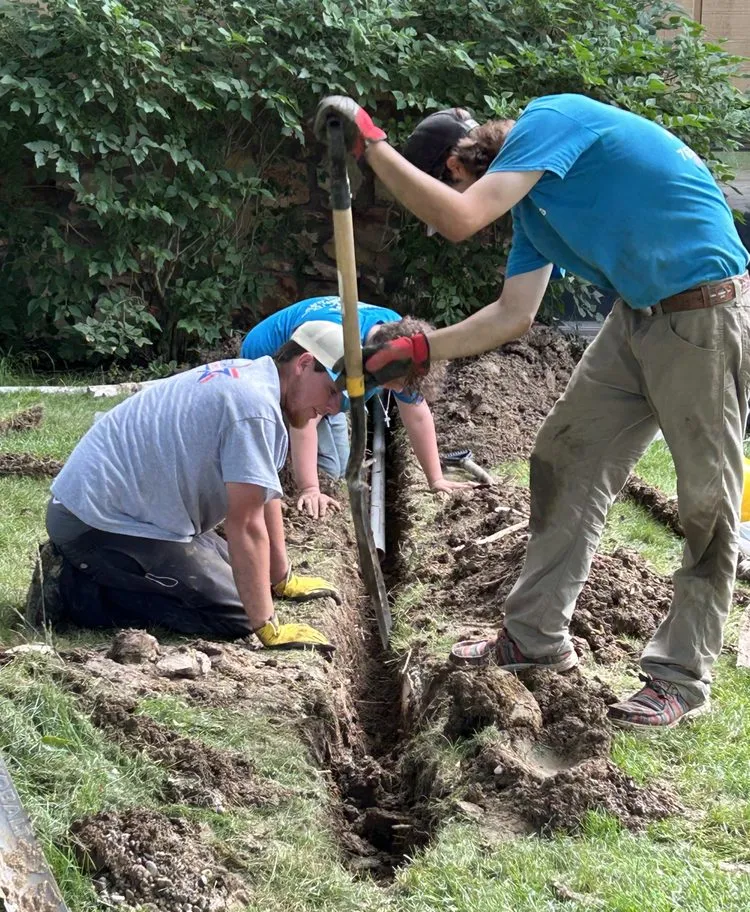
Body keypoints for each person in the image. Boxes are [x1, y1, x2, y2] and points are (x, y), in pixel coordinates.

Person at [315, 92, 750, 731]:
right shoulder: (537, 210)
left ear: (460, 164)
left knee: (707, 505)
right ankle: (533, 637)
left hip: (704, 316)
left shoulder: (552, 122)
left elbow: (461, 218)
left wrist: (371, 146)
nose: (444, 221)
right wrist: (420, 348)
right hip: (636, 318)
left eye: (442, 191)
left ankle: (679, 679)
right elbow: (513, 315)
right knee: (563, 456)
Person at [26, 322, 350, 651]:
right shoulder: (255, 409)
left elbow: (261, 497)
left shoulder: (256, 381)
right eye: (332, 392)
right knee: (238, 613)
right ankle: (72, 591)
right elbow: (246, 525)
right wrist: (267, 627)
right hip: (94, 521)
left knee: (252, 578)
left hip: (130, 512)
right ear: (304, 364)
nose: (334, 408)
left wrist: (280, 578)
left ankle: (99, 570)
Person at [241, 295, 477, 518]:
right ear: (381, 364)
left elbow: (417, 415)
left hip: (327, 385)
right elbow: (304, 414)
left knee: (335, 472)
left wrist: (436, 479)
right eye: (394, 383)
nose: (394, 391)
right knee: (278, 450)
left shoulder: (400, 345)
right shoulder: (337, 346)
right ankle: (275, 476)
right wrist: (310, 488)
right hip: (275, 373)